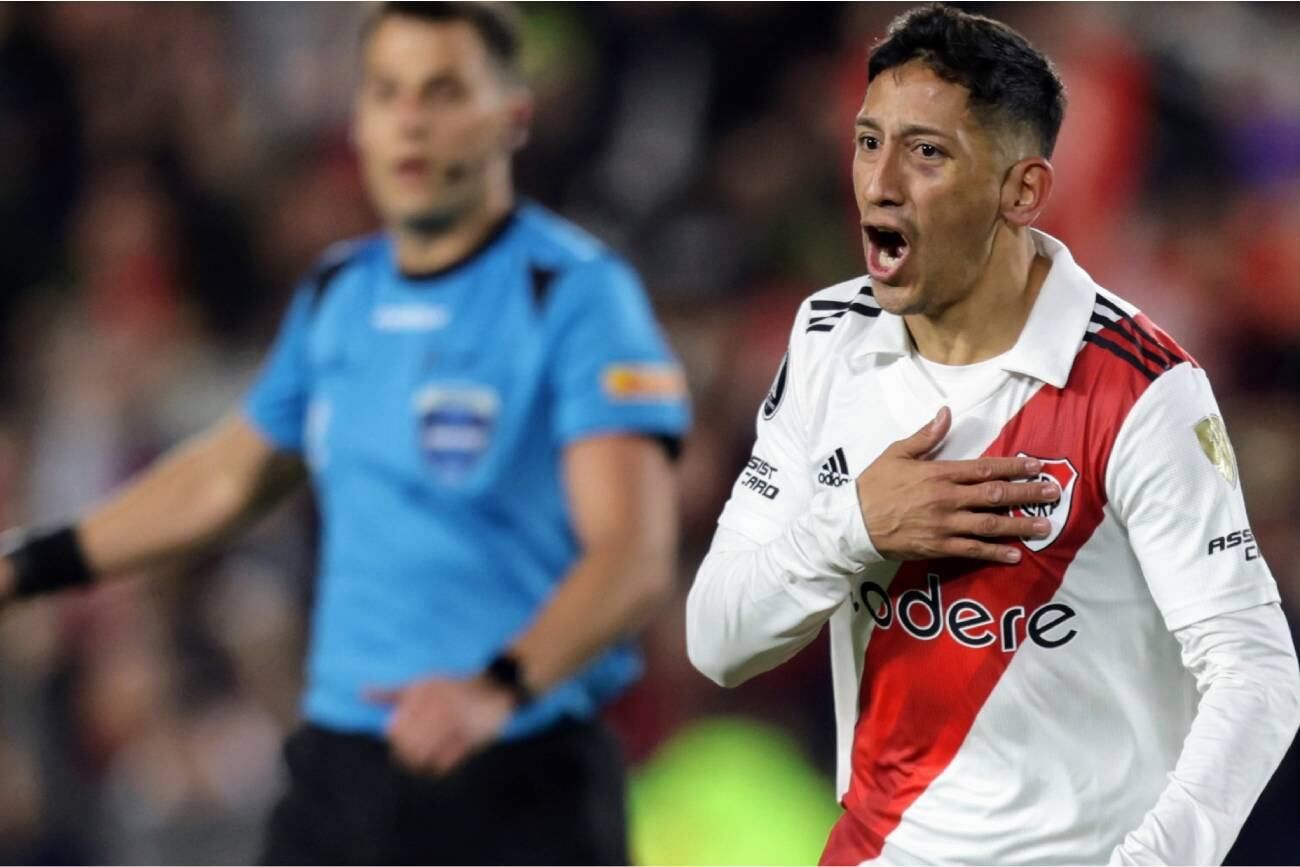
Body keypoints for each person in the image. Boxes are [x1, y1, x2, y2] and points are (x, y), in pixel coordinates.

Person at [0, 2, 689, 863]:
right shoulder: (338, 296)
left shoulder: (577, 296)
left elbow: (631, 555)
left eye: (442, 91)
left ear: (510, 115)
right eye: (386, 92)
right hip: (345, 774)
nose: (410, 120)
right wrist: (27, 563)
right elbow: (225, 477)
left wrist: (497, 688)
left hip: (515, 767)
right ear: (358, 121)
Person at [686, 5, 1300, 865]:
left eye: (927, 152)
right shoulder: (828, 338)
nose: (880, 182)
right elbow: (717, 640)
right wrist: (855, 526)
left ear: (1022, 190)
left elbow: (1257, 672)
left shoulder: (1142, 390)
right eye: (869, 142)